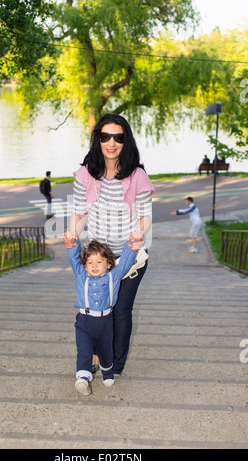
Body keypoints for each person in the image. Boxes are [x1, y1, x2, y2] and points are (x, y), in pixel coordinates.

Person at [63, 113, 154, 376]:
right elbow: (79, 212)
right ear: (98, 140)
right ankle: (96, 356)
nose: (111, 143)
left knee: (121, 312)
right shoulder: (85, 175)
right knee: (95, 312)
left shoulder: (137, 175)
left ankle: (115, 364)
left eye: (118, 137)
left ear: (126, 141)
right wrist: (72, 233)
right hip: (99, 259)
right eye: (105, 136)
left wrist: (138, 234)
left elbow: (146, 216)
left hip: (130, 256)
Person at [66, 236, 139, 395]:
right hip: (84, 321)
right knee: (84, 351)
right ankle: (83, 379)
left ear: (109, 264)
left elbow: (126, 261)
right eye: (90, 262)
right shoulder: (81, 275)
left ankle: (107, 372)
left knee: (105, 352)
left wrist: (132, 244)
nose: (94, 265)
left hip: (105, 321)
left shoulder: (114, 276)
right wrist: (73, 243)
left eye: (99, 262)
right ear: (84, 265)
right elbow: (73, 257)